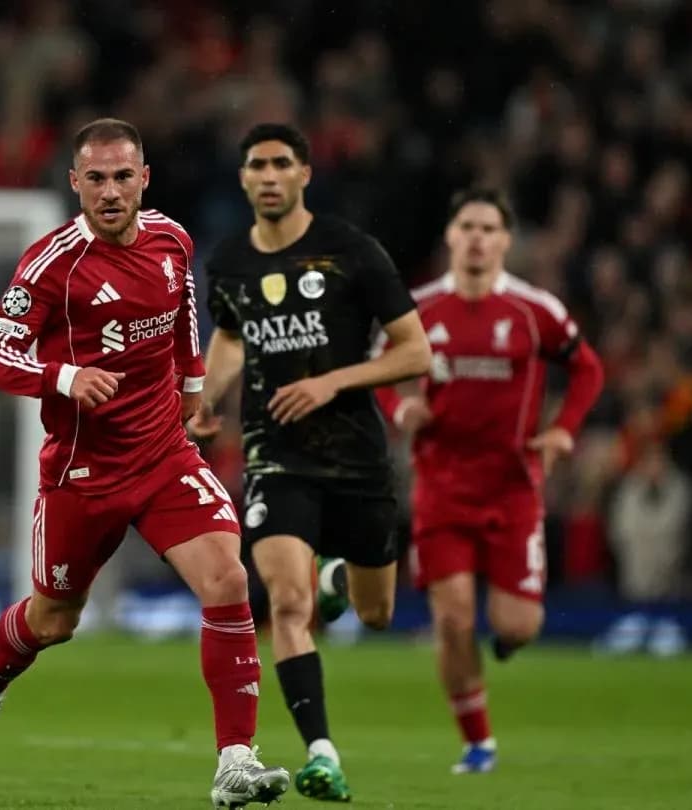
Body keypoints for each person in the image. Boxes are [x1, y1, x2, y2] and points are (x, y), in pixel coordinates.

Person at [0, 118, 291, 809]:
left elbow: (182, 318)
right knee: (54, 621)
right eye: (97, 179)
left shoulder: (172, 240)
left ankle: (235, 761)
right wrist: (65, 376)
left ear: (144, 179)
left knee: (227, 577)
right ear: (76, 183)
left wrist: (194, 389)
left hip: (164, 455)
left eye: (123, 177)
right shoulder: (52, 263)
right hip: (83, 474)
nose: (111, 191)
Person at [190, 123, 431, 802]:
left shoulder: (352, 252)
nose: (268, 176)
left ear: (304, 174)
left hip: (356, 458)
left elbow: (416, 351)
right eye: (256, 165)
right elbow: (231, 335)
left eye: (281, 164)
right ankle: (322, 753)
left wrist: (331, 383)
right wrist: (207, 396)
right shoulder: (230, 260)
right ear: (243, 179)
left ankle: (338, 579)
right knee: (287, 603)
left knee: (375, 613)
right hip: (276, 456)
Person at [375, 188, 604, 774]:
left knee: (517, 626)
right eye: (467, 227)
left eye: (488, 229)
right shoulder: (420, 308)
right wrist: (400, 409)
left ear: (505, 241)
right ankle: (478, 743)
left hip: (513, 488)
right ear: (450, 236)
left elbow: (587, 368)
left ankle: (504, 641)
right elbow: (378, 368)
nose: (477, 238)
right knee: (453, 620)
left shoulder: (533, 310)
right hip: (442, 486)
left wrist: (563, 431)